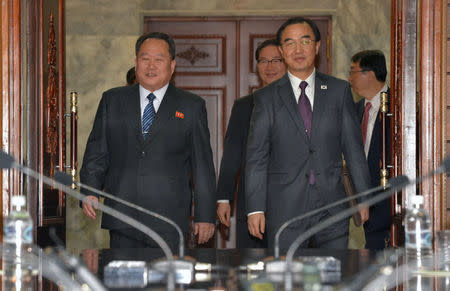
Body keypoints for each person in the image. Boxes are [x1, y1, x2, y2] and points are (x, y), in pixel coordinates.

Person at [80, 32, 216, 250]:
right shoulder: (113, 100)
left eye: (158, 60)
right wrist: (90, 190)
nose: (151, 66)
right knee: (123, 282)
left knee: (165, 282)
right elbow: (97, 152)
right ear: (136, 63)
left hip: (169, 220)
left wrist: (205, 214)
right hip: (122, 215)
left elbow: (202, 166)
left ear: (172, 66)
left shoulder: (191, 106)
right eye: (145, 59)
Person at [245, 17, 371, 250]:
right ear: (282, 51)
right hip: (284, 208)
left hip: (332, 206)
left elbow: (353, 149)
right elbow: (257, 157)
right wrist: (255, 208)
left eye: (305, 41)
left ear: (317, 46)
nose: (298, 49)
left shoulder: (338, 90)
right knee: (286, 280)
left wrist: (363, 197)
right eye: (290, 43)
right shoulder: (266, 98)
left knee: (335, 277)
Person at [216, 39, 286, 248]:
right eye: (263, 61)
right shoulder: (244, 106)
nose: (270, 66)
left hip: (293, 199)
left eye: (276, 60)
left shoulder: (302, 102)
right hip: (252, 200)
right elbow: (232, 154)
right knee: (251, 266)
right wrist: (223, 197)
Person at [349, 50, 391, 250]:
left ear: (371, 74)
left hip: (391, 202)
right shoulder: (353, 110)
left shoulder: (400, 106)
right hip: (362, 202)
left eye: (353, 71)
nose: (349, 78)